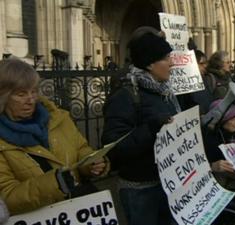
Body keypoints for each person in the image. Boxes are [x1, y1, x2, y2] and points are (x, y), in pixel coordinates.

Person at [0, 59, 108, 215]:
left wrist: (91, 165)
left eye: (34, 91)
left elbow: (81, 149)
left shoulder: (58, 118)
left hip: (81, 210)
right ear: (3, 97)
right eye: (21, 94)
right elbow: (6, 197)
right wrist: (55, 184)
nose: (31, 100)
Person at [102, 32, 179, 225]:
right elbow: (113, 146)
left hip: (167, 184)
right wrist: (152, 128)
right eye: (166, 58)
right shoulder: (125, 96)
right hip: (140, 190)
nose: (172, 63)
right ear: (150, 63)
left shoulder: (166, 93)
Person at [177, 50, 213, 114]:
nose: (205, 66)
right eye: (201, 63)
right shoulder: (183, 85)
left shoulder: (206, 80)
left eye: (206, 63)